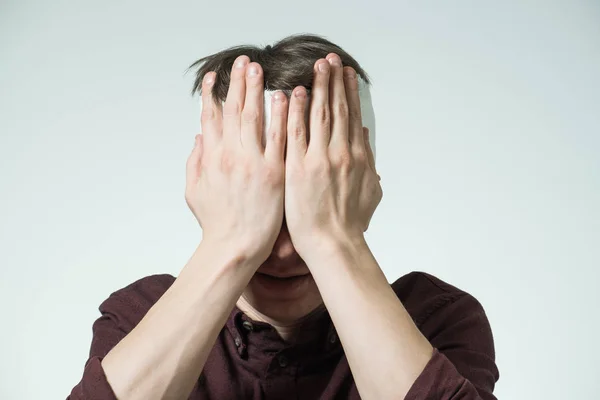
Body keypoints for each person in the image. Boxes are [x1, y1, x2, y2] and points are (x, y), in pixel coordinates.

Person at [68, 34, 499, 399]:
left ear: (359, 190)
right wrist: (231, 245)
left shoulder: (434, 317)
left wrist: (333, 241)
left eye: (311, 201)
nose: (284, 249)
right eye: (259, 202)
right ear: (209, 190)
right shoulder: (140, 315)